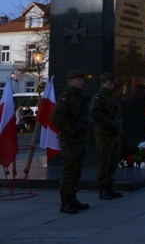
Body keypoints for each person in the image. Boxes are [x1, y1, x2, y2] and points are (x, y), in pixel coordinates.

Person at [51, 70, 91, 214]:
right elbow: (55, 117)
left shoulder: (80, 98)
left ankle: (73, 198)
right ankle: (65, 202)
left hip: (79, 138)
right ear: (70, 82)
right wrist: (70, 131)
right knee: (69, 171)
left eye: (82, 79)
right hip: (69, 140)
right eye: (79, 80)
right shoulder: (66, 97)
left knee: (76, 170)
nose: (82, 82)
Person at [89, 72, 123, 200]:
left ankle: (110, 185)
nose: (112, 86)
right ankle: (103, 187)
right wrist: (109, 123)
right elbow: (94, 113)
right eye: (109, 83)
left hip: (114, 133)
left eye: (113, 84)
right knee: (104, 161)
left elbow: (118, 115)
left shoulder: (112, 98)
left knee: (113, 161)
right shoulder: (98, 97)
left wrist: (118, 125)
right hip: (104, 133)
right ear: (103, 84)